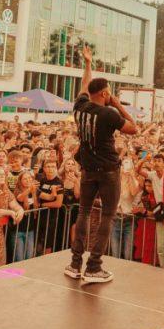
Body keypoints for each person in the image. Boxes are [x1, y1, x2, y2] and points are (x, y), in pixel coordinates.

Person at [66, 45, 137, 284]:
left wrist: (87, 64)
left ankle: (76, 263)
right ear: (106, 93)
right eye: (109, 93)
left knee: (84, 212)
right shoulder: (108, 114)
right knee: (107, 215)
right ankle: (94, 266)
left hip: (87, 171)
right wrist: (117, 104)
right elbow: (133, 128)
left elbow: (85, 85)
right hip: (107, 171)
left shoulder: (79, 108)